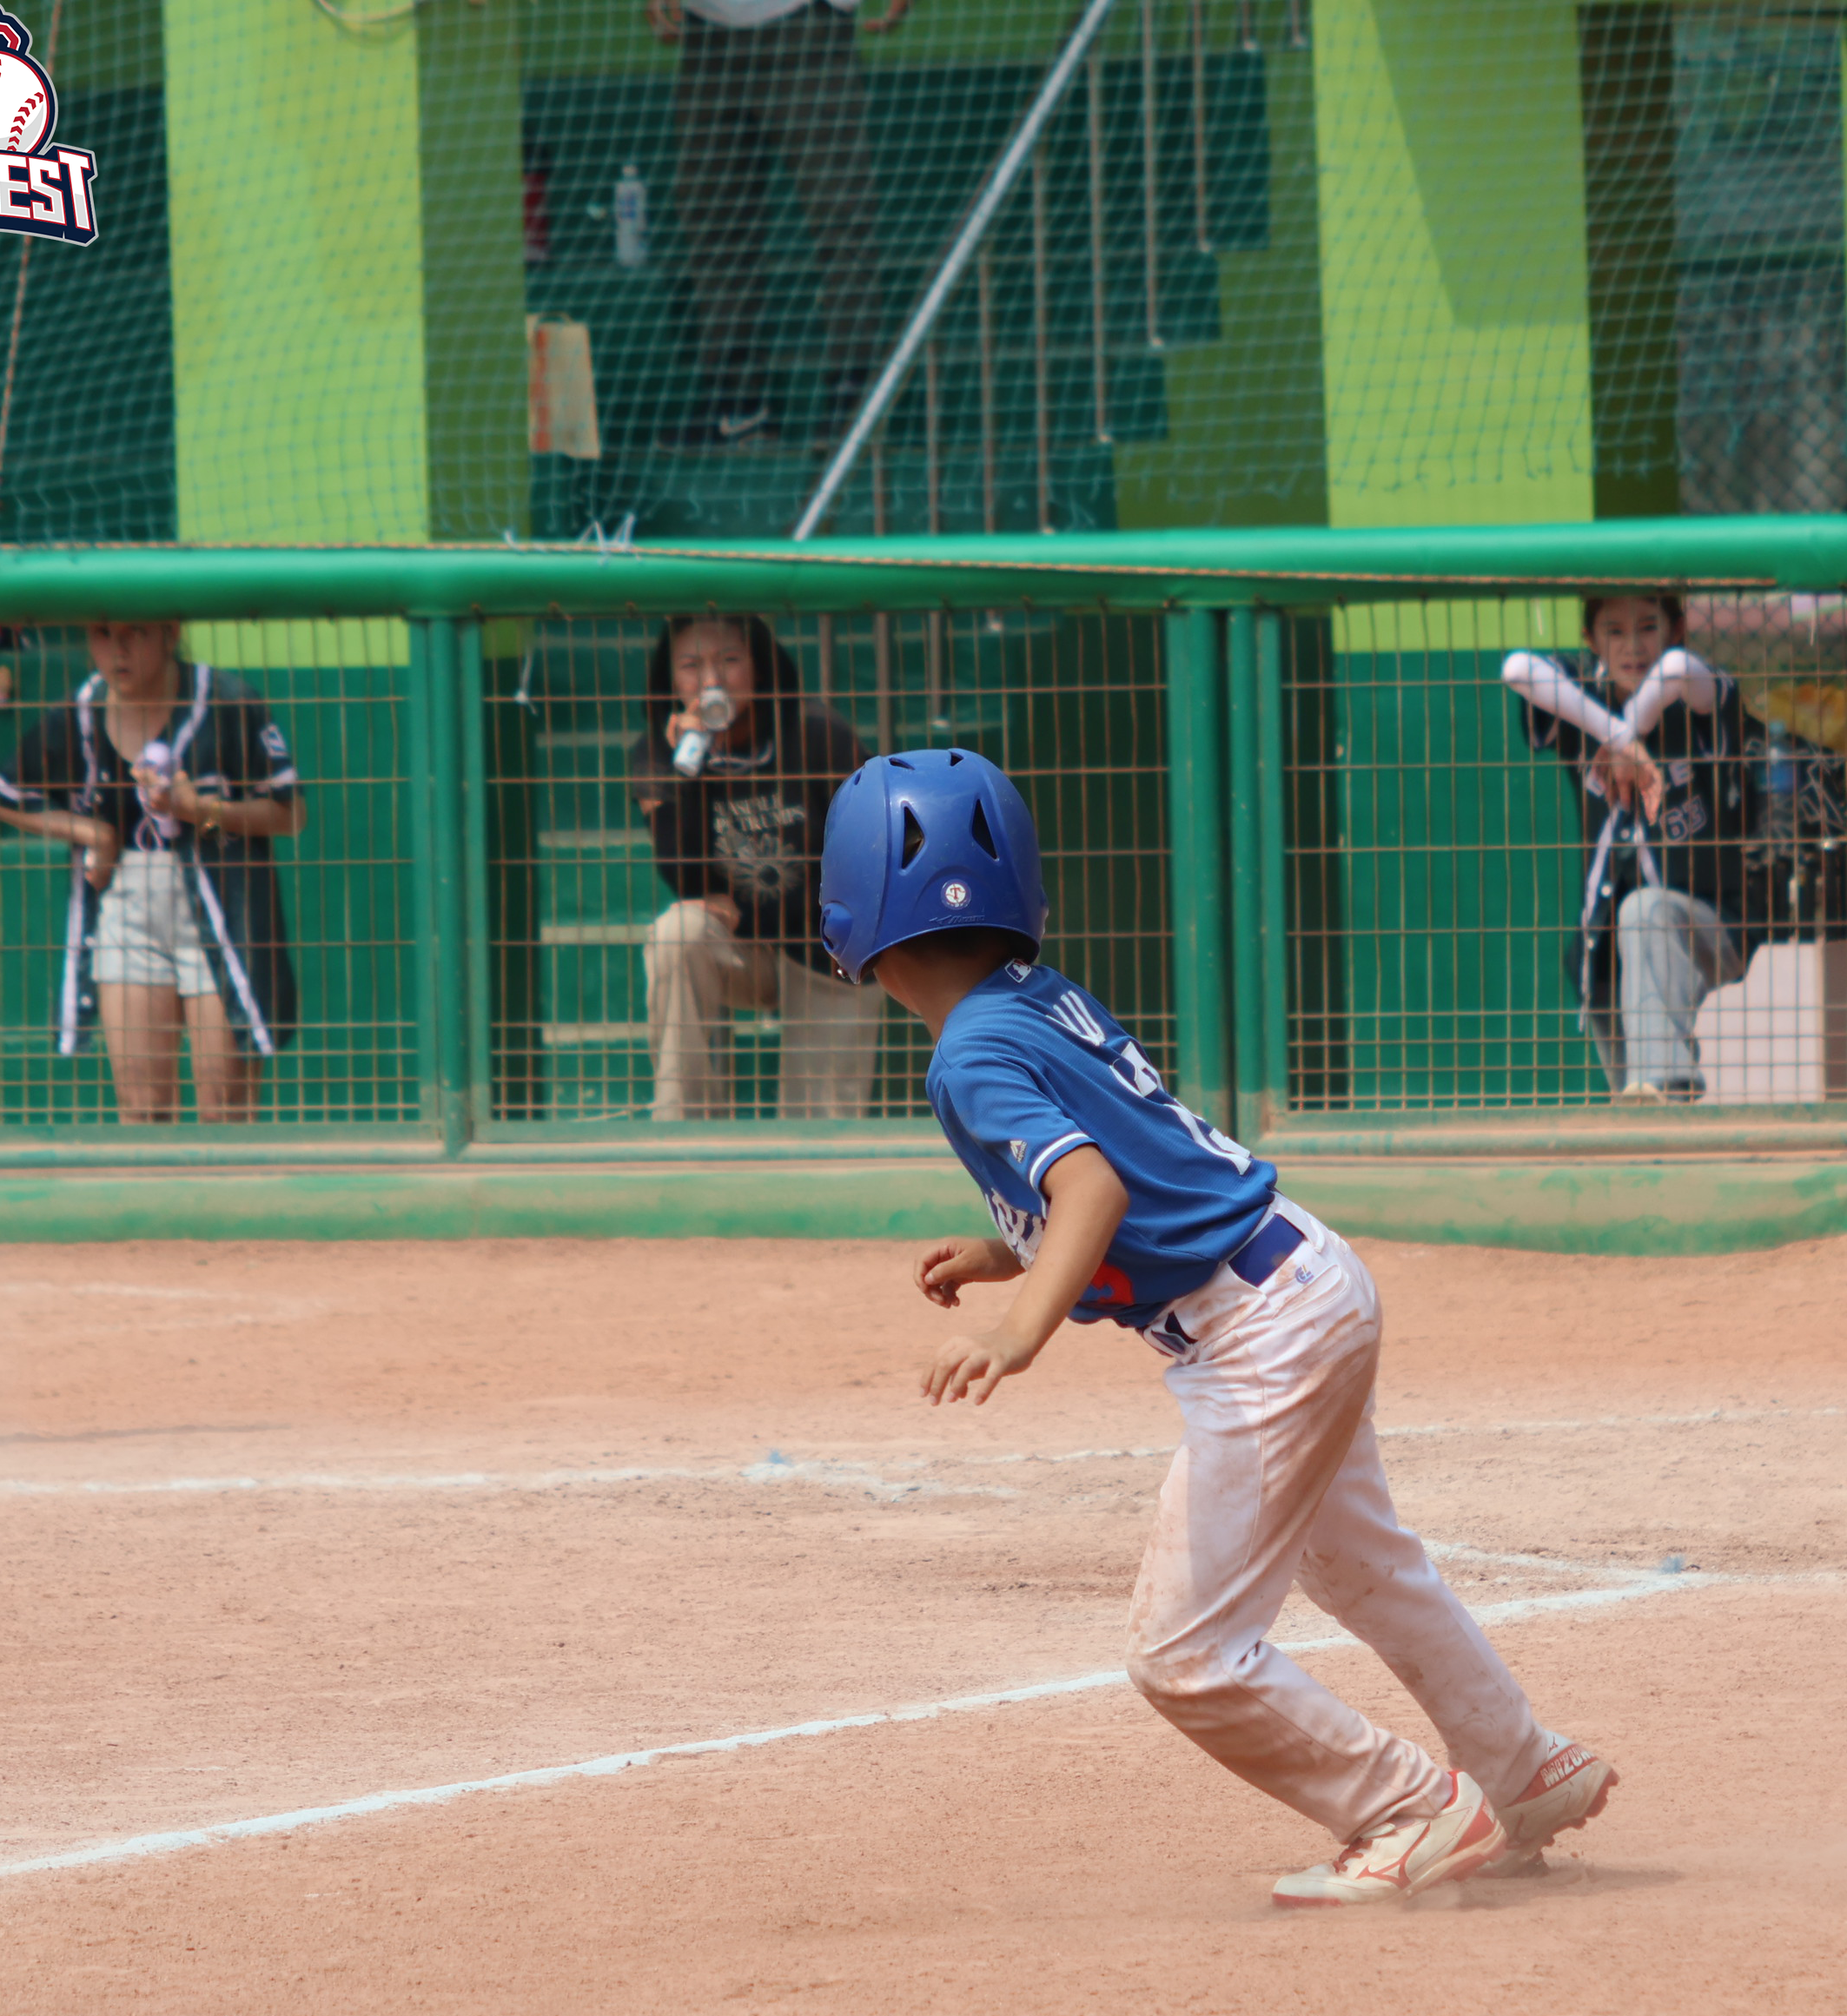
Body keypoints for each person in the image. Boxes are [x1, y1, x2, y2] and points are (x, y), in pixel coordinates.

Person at [823, 748, 1618, 1907]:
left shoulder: (966, 1052)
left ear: (862, 923)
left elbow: (1091, 1188)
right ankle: (1521, 1769)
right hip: (1305, 1278)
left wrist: (1017, 1331)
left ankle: (1409, 1810)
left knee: (1182, 1651)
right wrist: (1009, 1252)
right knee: (1359, 1565)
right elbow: (1134, 1172)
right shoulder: (1037, 998)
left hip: (1258, 1333)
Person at [0, 622, 302, 1125]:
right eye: (103, 634)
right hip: (126, 905)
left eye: (136, 633)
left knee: (225, 1106)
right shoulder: (79, 711)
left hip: (221, 907)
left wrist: (201, 811)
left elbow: (290, 813)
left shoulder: (228, 701)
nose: (119, 650)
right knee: (141, 1107)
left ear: (169, 633)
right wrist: (93, 834)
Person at [1501, 596, 1766, 1100]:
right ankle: (1657, 1105)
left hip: (1713, 924)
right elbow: (1517, 669)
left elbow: (1676, 668)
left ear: (1676, 627)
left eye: (1647, 627)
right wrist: (1617, 737)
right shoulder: (1581, 698)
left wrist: (1630, 731)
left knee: (1644, 913)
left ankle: (1664, 1085)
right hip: (1606, 949)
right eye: (1614, 631)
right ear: (1590, 640)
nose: (1632, 646)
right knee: (1637, 1102)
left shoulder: (1700, 695)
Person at [630, 612, 887, 1118]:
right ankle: (684, 1126)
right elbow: (682, 874)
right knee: (677, 932)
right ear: (670, 679)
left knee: (819, 1128)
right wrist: (688, 768)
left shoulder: (817, 732)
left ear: (760, 667)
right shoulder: (660, 751)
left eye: (729, 660)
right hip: (741, 945)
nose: (712, 680)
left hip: (831, 947)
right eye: (691, 666)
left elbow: (874, 837)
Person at [648, 0, 906, 450]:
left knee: (841, 216)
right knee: (713, 223)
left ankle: (854, 395)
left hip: (806, 26)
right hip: (707, 32)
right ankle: (738, 403)